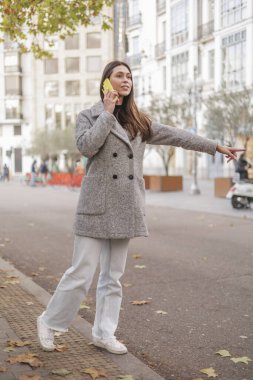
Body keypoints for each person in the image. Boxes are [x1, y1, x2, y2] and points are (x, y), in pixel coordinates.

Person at [37, 60, 245, 355]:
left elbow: (178, 135)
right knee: (81, 272)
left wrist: (214, 146)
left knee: (113, 278)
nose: (126, 79)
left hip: (125, 205)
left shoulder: (139, 121)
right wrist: (107, 114)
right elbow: (87, 147)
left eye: (129, 76)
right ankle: (49, 321)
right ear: (106, 81)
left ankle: (104, 332)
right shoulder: (89, 115)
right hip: (95, 205)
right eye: (119, 75)